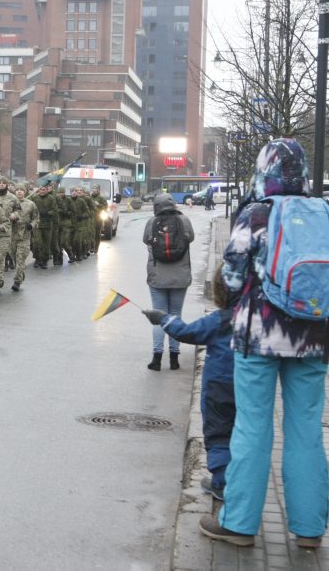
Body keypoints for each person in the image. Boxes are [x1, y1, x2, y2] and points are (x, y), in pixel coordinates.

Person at [200, 139, 328, 549]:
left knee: (252, 426)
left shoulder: (256, 214)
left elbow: (233, 279)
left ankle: (239, 524)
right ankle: (309, 530)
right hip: (314, 338)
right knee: (306, 429)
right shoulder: (324, 212)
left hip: (258, 338)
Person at [143, 264, 236, 502]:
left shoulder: (218, 321)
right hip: (248, 386)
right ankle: (239, 479)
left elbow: (187, 332)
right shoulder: (255, 322)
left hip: (218, 389)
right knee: (241, 433)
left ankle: (220, 483)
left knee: (218, 435)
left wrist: (162, 318)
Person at [142, 192, 194, 371]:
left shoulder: (151, 222)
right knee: (175, 315)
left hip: (157, 277)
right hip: (180, 277)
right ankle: (174, 359)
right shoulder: (184, 221)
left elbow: (145, 241)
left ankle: (156, 359)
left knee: (159, 316)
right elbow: (191, 238)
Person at [9, 184, 38, 291]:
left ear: (25, 192)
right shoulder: (10, 203)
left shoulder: (31, 204)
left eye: (22, 190)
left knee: (20, 259)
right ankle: (20, 273)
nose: (19, 192)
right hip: (12, 235)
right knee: (14, 258)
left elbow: (36, 218)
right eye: (17, 190)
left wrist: (32, 225)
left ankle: (17, 281)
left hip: (24, 236)